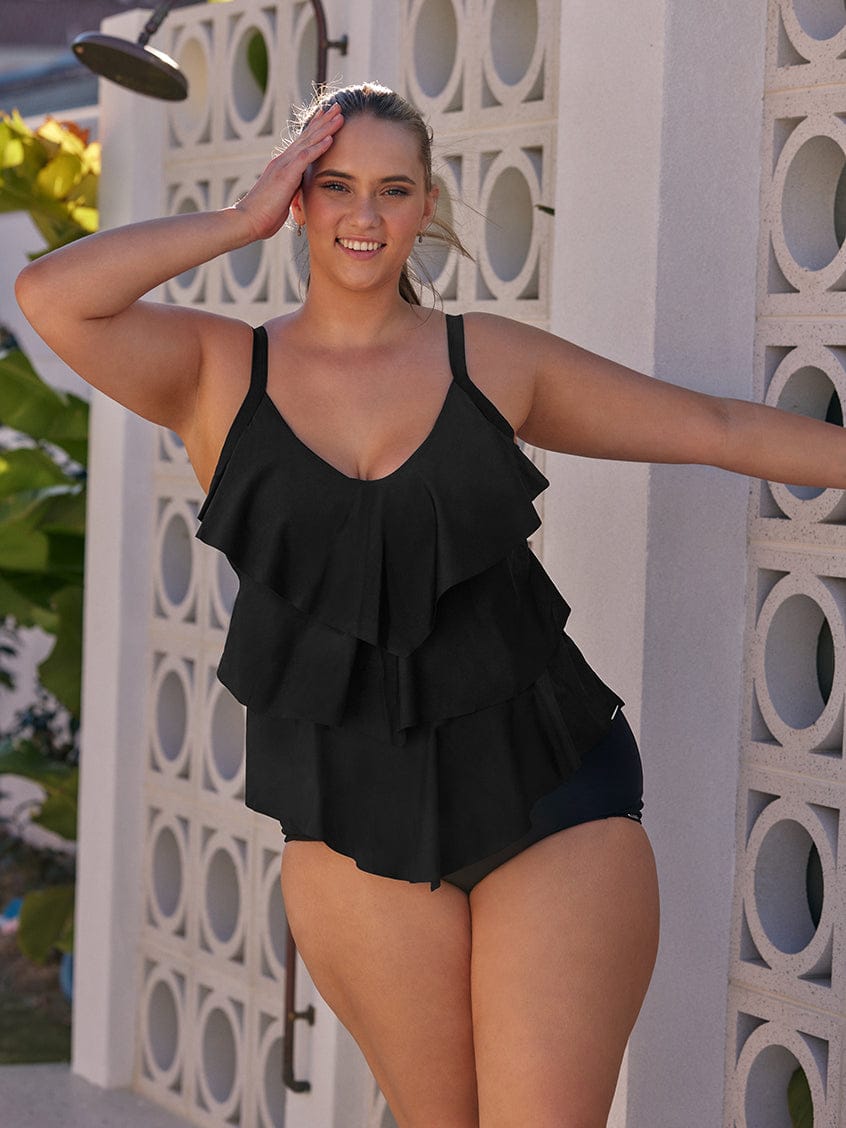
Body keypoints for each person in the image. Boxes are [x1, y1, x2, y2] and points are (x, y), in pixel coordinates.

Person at [14, 82, 846, 1128]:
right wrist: (239, 218)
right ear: (300, 199)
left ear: (427, 206)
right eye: (335, 186)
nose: (364, 215)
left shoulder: (487, 358)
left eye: (393, 190)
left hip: (553, 794)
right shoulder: (218, 371)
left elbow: (718, 429)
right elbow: (52, 296)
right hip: (351, 824)